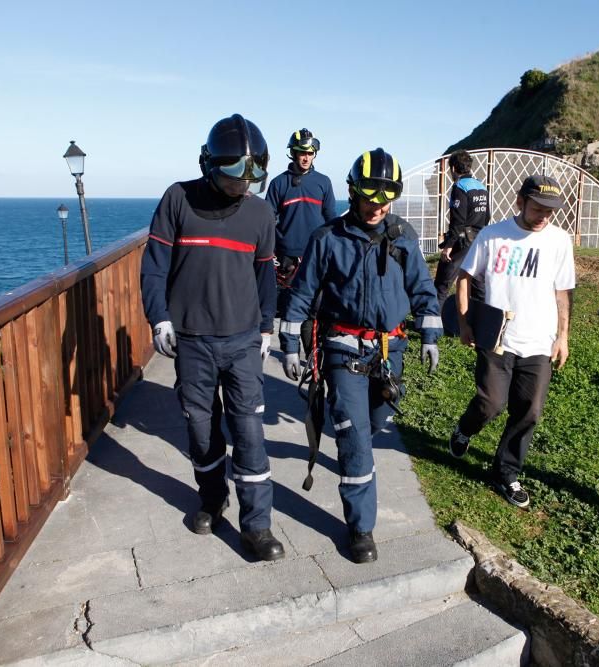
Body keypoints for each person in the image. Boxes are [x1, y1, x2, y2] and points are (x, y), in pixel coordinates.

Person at [279, 148, 442, 563]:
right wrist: (289, 344)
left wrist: (430, 334)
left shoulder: (403, 237)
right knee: (353, 439)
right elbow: (300, 296)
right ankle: (361, 527)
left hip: (390, 350)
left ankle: (358, 461)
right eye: (371, 196)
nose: (378, 206)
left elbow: (422, 289)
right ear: (353, 193)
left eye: (386, 198)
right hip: (343, 349)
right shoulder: (327, 239)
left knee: (374, 423)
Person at [140, 114, 284, 562]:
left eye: (251, 177)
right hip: (191, 341)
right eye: (234, 176)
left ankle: (257, 525)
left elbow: (265, 275)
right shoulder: (177, 199)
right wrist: (159, 318)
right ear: (208, 165)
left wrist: (267, 326)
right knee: (201, 431)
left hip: (242, 340)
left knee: (250, 434)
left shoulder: (261, 213)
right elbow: (155, 266)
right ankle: (211, 498)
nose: (243, 186)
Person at [448, 175, 575, 509]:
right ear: (519, 201)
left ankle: (506, 472)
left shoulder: (559, 241)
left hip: (539, 342)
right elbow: (464, 278)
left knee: (529, 412)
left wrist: (562, 336)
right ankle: (464, 429)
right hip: (497, 339)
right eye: (538, 208)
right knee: (491, 403)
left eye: (551, 210)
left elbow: (563, 291)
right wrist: (464, 323)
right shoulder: (493, 235)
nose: (544, 216)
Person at [265, 128, 336, 348]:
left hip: (316, 257)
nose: (306, 157)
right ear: (293, 153)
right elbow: (268, 220)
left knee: (315, 311)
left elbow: (331, 220)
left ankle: (312, 359)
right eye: (301, 152)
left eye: (310, 152)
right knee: (290, 311)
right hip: (286, 260)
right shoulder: (278, 183)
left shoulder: (323, 182)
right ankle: (289, 352)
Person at [433, 150, 490, 311]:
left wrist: (448, 246)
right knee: (478, 284)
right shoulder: (481, 186)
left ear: (453, 169)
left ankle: (434, 324)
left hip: (462, 240)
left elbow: (458, 221)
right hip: (479, 240)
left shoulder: (460, 187)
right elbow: (487, 216)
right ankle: (483, 320)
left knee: (442, 283)